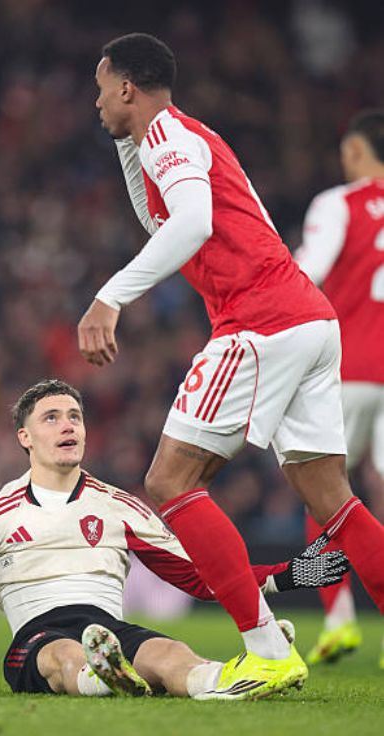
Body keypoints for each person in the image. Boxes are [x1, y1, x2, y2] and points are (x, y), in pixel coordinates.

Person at [77, 32, 384, 694]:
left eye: (101, 89)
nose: (95, 102)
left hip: (261, 322)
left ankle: (266, 648)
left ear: (127, 88)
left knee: (170, 481)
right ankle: (275, 643)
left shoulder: (168, 136)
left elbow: (190, 224)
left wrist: (110, 297)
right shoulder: (185, 137)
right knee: (333, 501)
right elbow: (166, 220)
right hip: (310, 319)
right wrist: (126, 145)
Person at [0, 379, 347, 700]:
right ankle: (102, 676)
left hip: (110, 630)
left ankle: (232, 681)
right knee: (65, 656)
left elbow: (199, 577)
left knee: (170, 652)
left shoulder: (120, 506)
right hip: (37, 637)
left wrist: (285, 577)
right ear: (25, 438)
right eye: (51, 418)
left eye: (75, 417)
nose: (68, 426)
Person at [295, 110, 384, 667]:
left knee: (320, 485)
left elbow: (308, 271)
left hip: (348, 368)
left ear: (354, 150)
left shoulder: (337, 204)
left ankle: (339, 618)